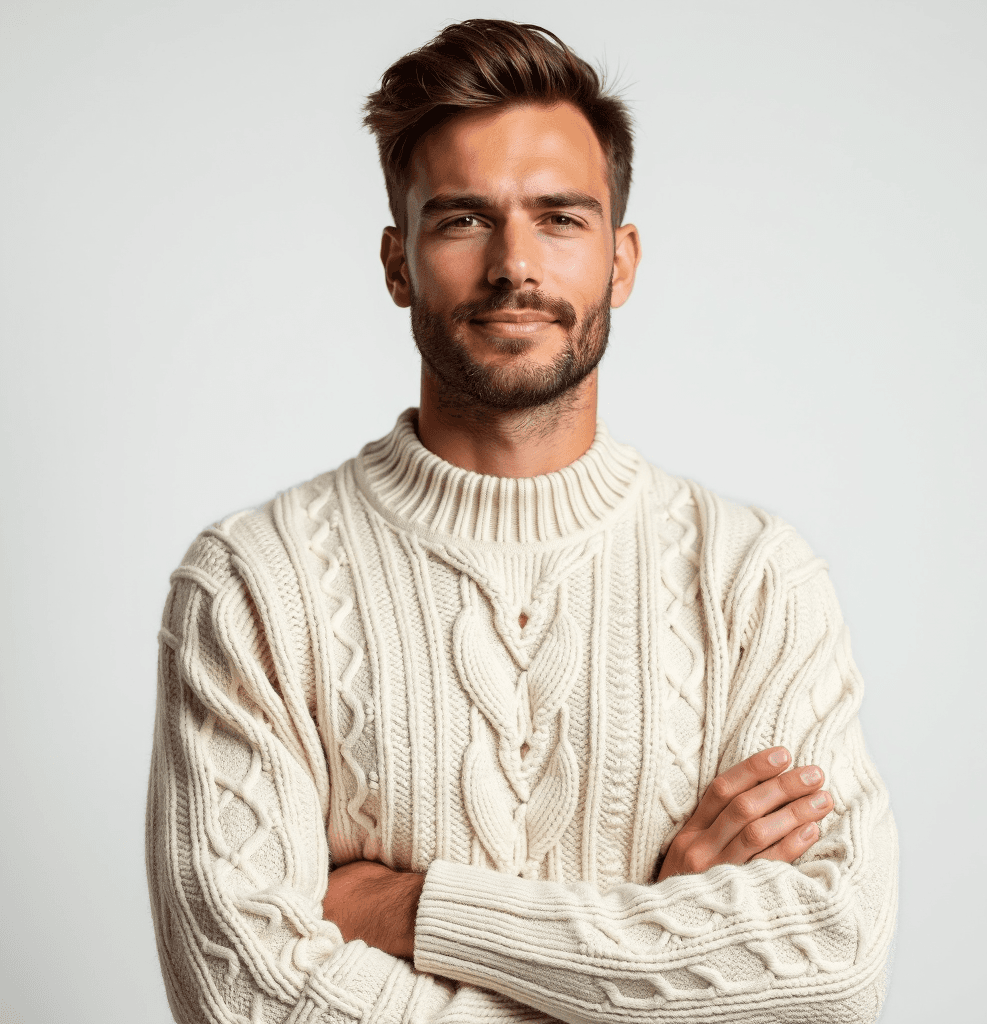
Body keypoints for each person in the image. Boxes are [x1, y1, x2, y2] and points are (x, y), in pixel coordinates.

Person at [146, 19, 898, 1024]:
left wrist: (414, 910)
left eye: (559, 218)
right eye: (462, 219)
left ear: (621, 261)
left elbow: (833, 968)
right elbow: (245, 997)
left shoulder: (753, 580)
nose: (514, 265)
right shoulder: (254, 583)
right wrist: (672, 937)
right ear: (396, 262)